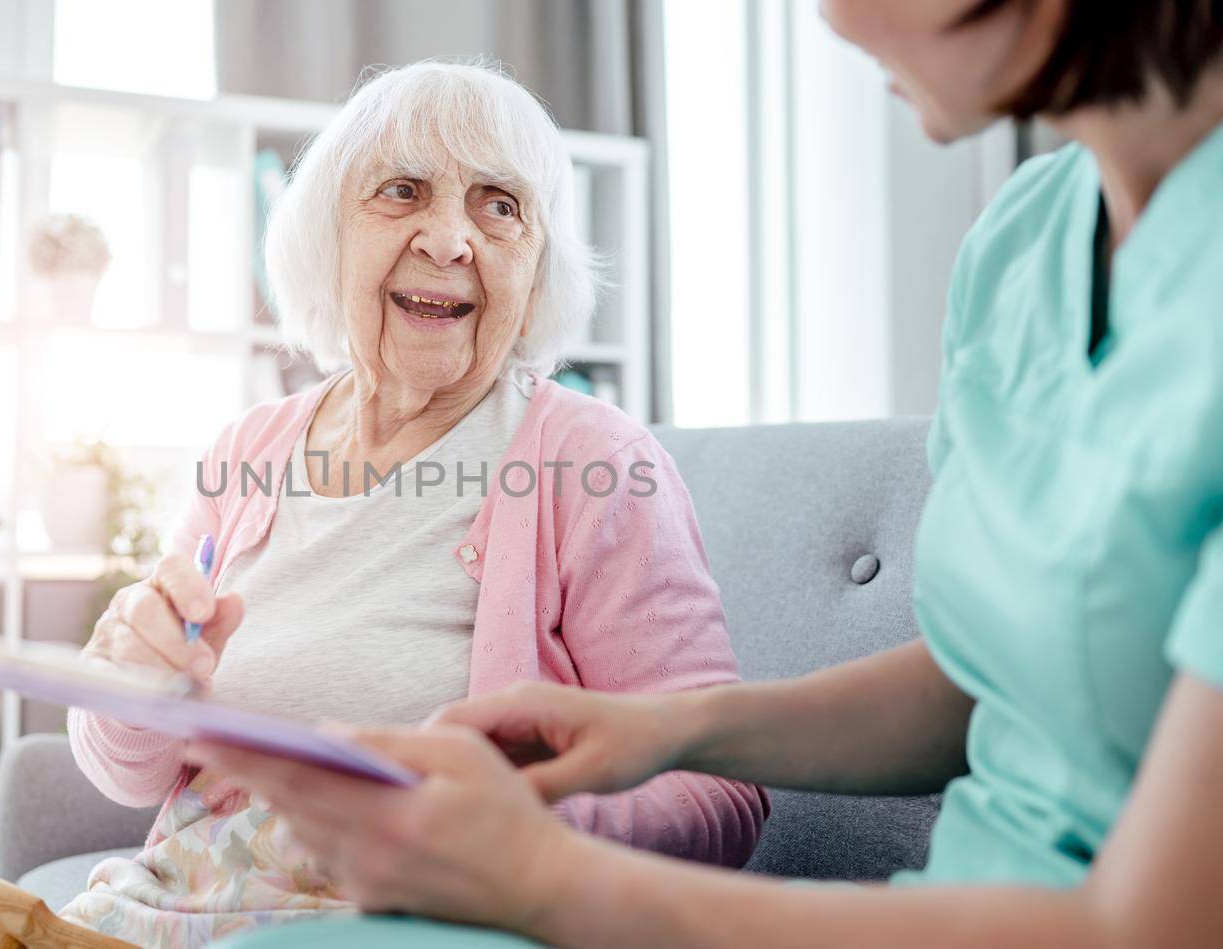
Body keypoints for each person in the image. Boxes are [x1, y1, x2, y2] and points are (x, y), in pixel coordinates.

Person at [193, 2, 1223, 946]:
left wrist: (543, 874)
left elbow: (1151, 923)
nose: (828, 14)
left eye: (499, 205)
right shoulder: (1022, 241)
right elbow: (991, 679)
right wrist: (664, 728)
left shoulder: (581, 453)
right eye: (401, 193)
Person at [57, 61, 767, 946]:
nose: (450, 239)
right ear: (328, 234)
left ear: (538, 260)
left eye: (499, 204)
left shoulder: (596, 464)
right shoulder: (247, 451)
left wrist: (525, 829)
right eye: (402, 191)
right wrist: (133, 680)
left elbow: (723, 789)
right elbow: (127, 773)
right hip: (176, 904)